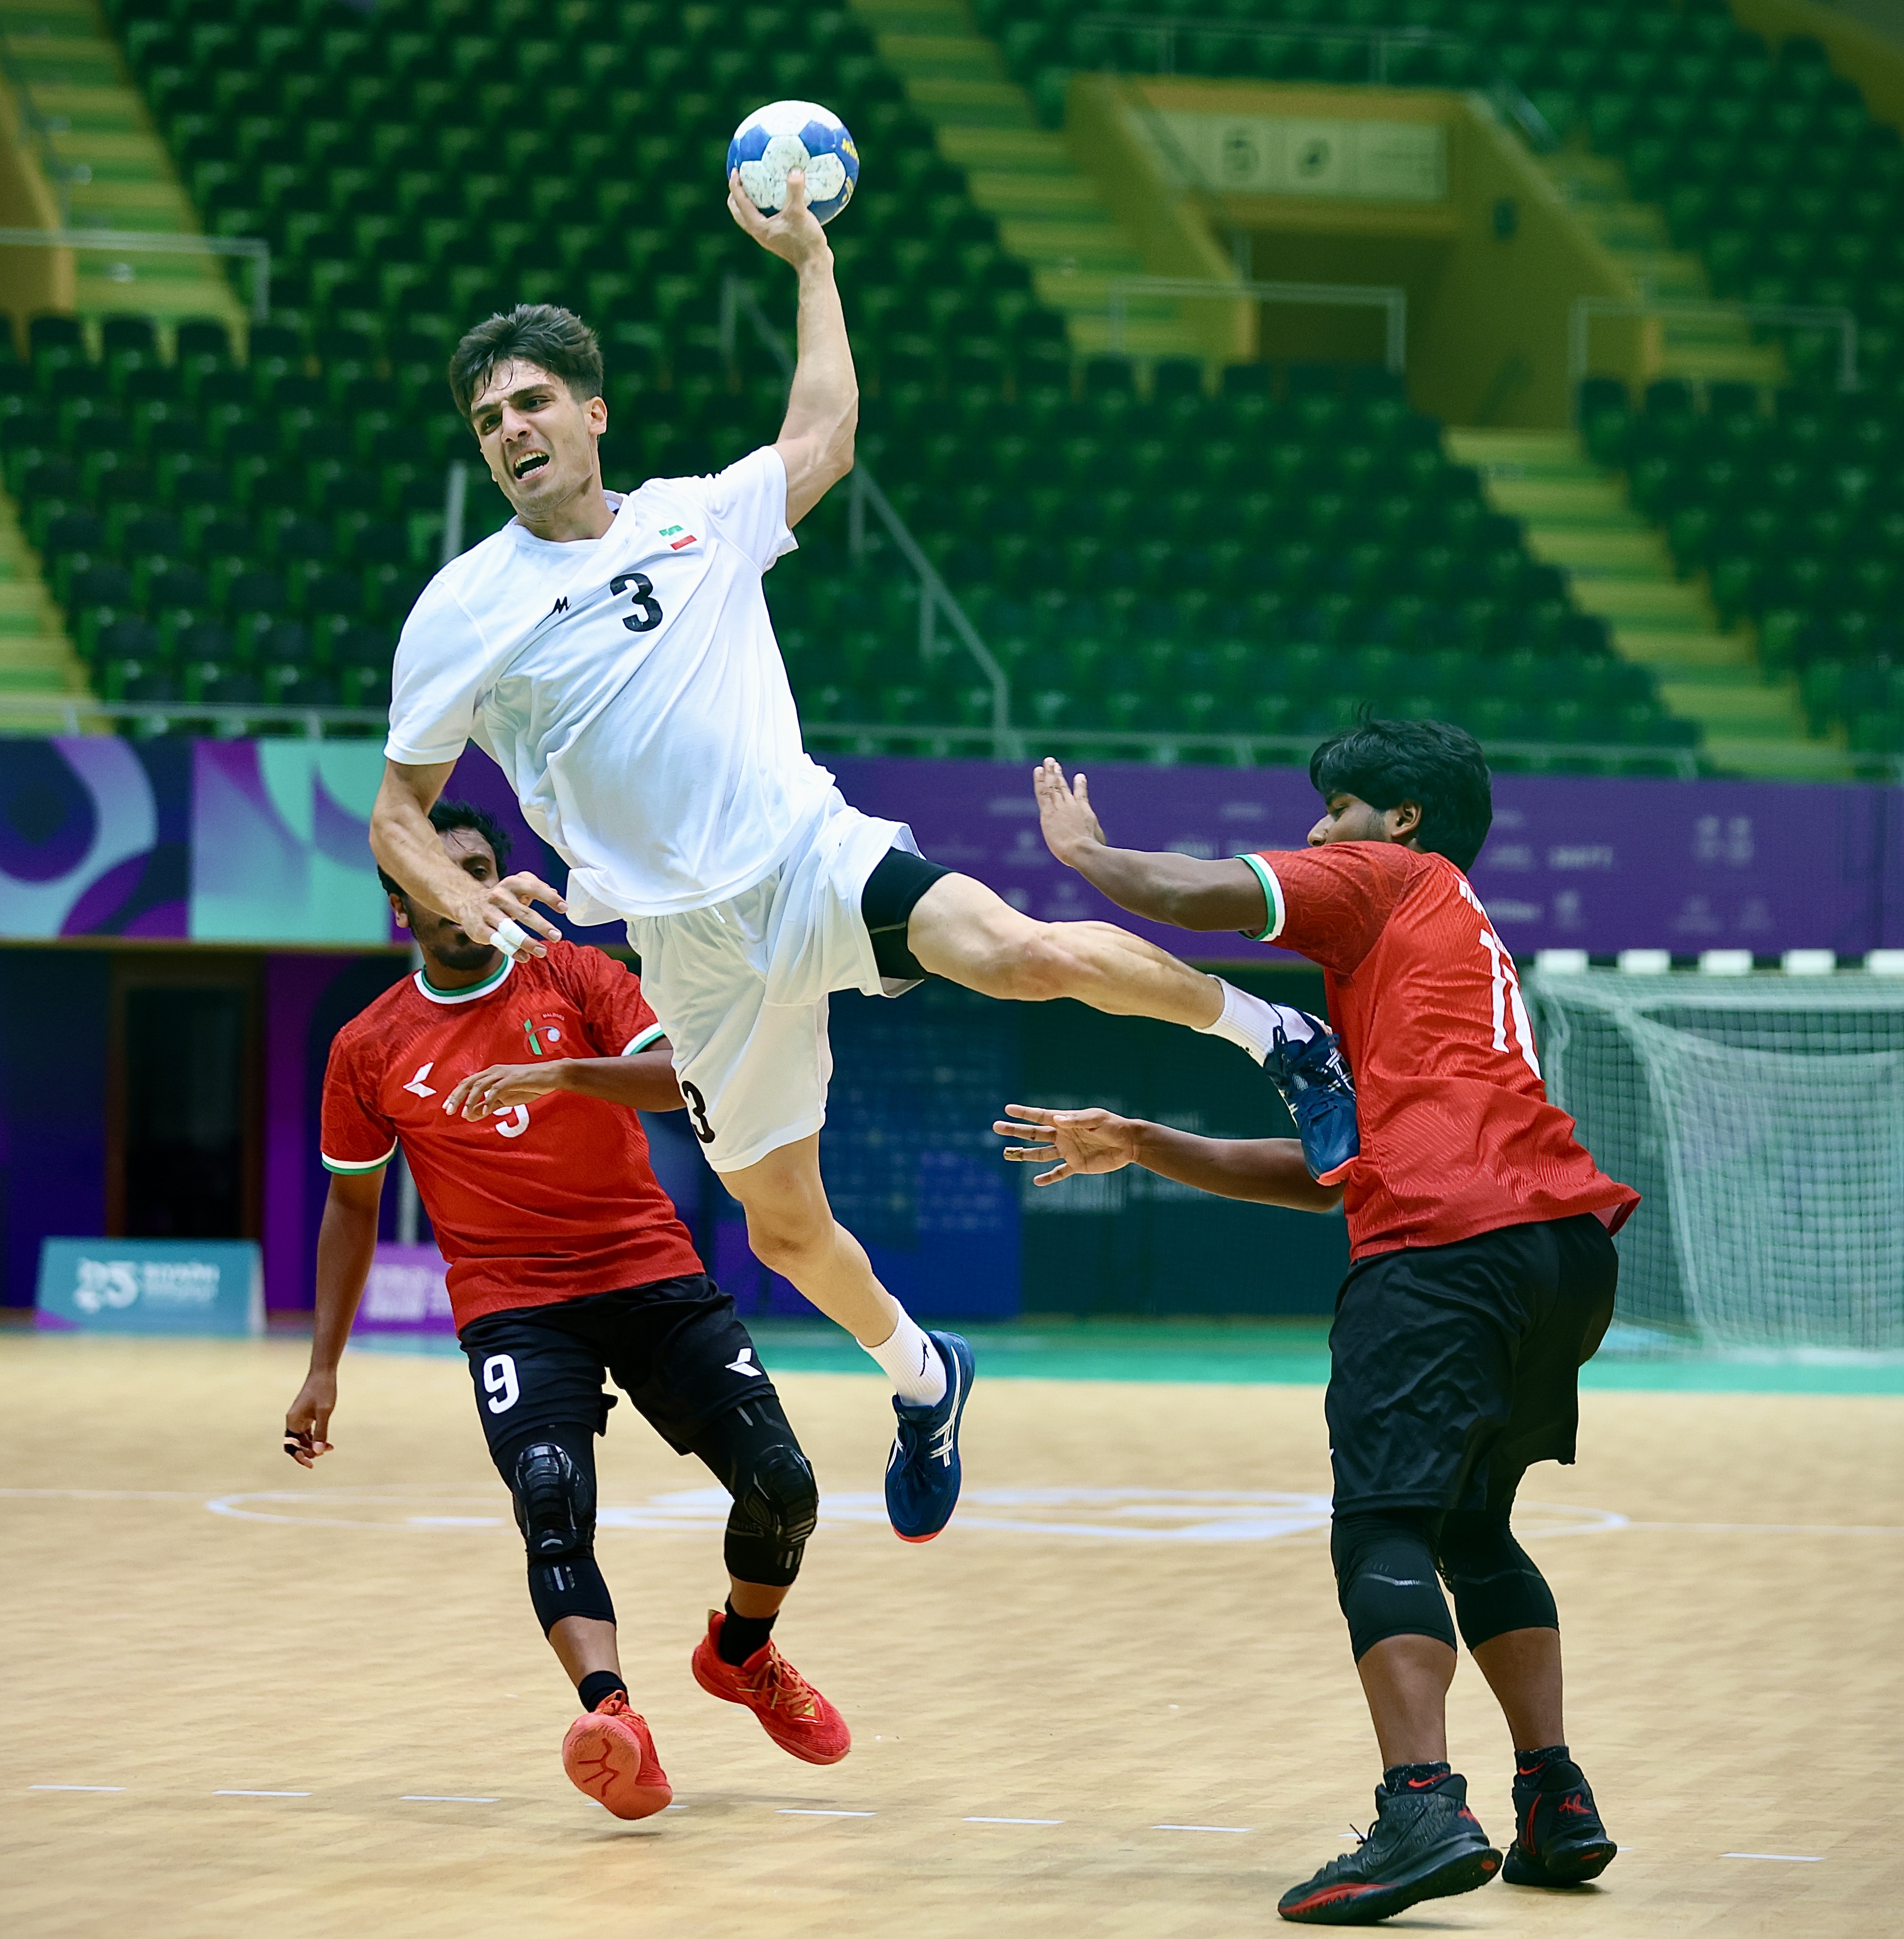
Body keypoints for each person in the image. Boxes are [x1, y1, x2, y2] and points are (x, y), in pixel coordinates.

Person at [365, 163, 1356, 1541]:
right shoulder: (461, 607)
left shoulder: (696, 515)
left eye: (531, 401)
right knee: (782, 1230)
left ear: (592, 413)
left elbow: (824, 432)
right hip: (687, 946)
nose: (509, 430)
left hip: (806, 854)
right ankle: (924, 1375)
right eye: (487, 420)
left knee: (1016, 953)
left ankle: (1279, 1036)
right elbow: (395, 815)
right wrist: (461, 900)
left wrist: (813, 265)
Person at [996, 718, 1642, 1926]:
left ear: (1399, 817)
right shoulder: (1452, 957)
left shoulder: (1386, 876)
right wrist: (1141, 1141)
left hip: (1446, 1253)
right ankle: (1553, 1798)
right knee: (1473, 1528)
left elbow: (1190, 893)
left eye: (1335, 807)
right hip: (1559, 1251)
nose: (1316, 828)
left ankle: (1420, 1807)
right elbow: (1336, 1173)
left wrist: (1085, 854)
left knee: (1381, 1528)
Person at [286, 798, 851, 1820]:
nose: (469, 887)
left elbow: (681, 1079)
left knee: (784, 1485)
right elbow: (352, 1206)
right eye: (441, 873)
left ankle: (742, 1652)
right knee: (549, 1499)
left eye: (481, 867)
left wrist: (560, 1072)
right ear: (403, 901)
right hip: (514, 1305)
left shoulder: (575, 976)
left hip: (647, 1270)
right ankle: (613, 1718)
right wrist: (323, 1367)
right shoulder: (369, 1046)